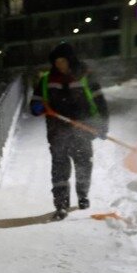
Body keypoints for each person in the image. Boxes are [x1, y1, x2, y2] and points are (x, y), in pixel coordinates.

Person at [29, 42, 110, 220]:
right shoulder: (47, 80)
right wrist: (37, 107)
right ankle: (61, 205)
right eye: (56, 62)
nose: (59, 65)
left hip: (82, 128)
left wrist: (103, 126)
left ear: (70, 60)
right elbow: (35, 101)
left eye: (63, 61)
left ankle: (82, 195)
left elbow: (100, 103)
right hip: (57, 131)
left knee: (83, 164)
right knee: (59, 168)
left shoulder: (85, 76)